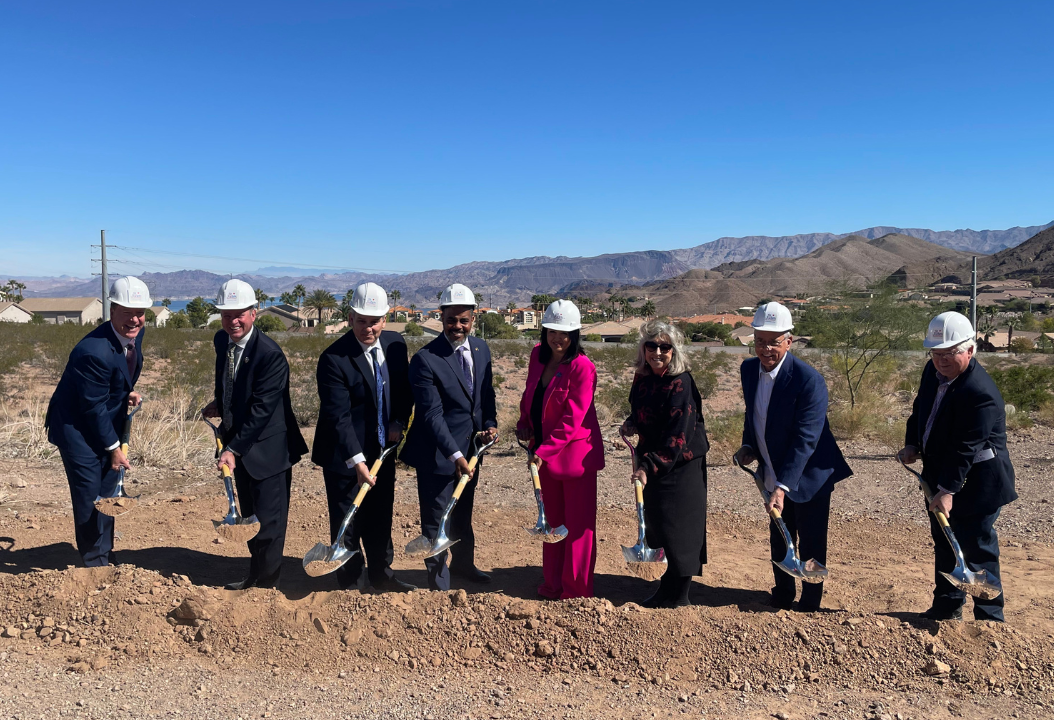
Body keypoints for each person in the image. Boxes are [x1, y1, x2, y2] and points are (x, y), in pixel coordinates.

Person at [734, 302, 852, 612]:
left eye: (774, 341)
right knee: (780, 536)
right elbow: (754, 415)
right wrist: (749, 446)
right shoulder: (748, 370)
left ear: (789, 341)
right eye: (760, 340)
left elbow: (806, 439)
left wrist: (783, 486)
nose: (766, 348)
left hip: (809, 475)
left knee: (811, 543)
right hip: (773, 468)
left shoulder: (807, 380)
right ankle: (783, 593)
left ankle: (810, 600)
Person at [898, 312, 1016, 622]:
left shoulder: (980, 393)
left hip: (978, 484)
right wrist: (913, 443)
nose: (941, 360)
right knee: (946, 543)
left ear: (970, 350)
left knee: (978, 551)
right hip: (941, 476)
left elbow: (966, 448)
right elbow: (921, 409)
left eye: (950, 353)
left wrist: (947, 489)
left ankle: (990, 619)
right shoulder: (932, 371)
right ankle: (947, 607)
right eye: (936, 353)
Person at [202, 279, 308, 590]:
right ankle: (254, 576)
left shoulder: (270, 355)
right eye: (226, 315)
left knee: (270, 523)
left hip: (268, 450)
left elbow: (263, 410)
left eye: (240, 314)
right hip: (242, 445)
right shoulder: (223, 341)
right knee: (250, 517)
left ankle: (267, 585)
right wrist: (220, 403)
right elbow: (229, 380)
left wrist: (232, 449)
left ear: (254, 313)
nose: (232, 321)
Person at [312, 282, 415, 593]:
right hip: (344, 454)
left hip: (382, 450)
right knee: (348, 516)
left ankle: (382, 575)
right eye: (361, 321)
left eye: (374, 321)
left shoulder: (396, 345)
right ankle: (350, 581)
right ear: (350, 317)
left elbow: (404, 392)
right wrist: (357, 461)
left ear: (384, 319)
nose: (368, 328)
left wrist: (398, 421)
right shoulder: (334, 359)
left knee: (381, 514)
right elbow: (338, 418)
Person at [46, 276, 152, 567]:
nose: (135, 320)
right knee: (89, 494)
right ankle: (94, 564)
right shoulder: (92, 352)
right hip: (76, 428)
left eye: (140, 313)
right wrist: (114, 447)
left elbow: (123, 368)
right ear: (112, 310)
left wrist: (125, 390)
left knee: (109, 489)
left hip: (104, 419)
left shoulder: (134, 334)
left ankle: (105, 553)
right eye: (127, 312)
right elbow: (91, 407)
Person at [400, 283, 498, 591]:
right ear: (441, 318)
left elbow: (486, 394)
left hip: (471, 449)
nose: (457, 326)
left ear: (473, 319)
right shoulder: (426, 359)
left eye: (463, 320)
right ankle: (438, 581)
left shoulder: (481, 349)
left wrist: (491, 423)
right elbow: (431, 415)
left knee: (462, 513)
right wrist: (455, 455)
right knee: (436, 518)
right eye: (451, 319)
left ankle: (464, 566)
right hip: (438, 454)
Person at [515, 300, 604, 599]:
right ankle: (551, 585)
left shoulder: (583, 367)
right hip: (543, 454)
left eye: (565, 333)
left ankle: (576, 591)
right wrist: (524, 422)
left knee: (577, 527)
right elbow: (531, 394)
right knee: (551, 523)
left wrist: (543, 451)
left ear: (575, 334)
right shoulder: (537, 357)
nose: (558, 338)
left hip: (574, 458)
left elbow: (572, 418)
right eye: (553, 330)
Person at [620, 320, 709, 608]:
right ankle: (666, 588)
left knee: (680, 529)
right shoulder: (642, 377)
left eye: (664, 346)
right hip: (653, 460)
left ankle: (678, 596)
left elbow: (678, 435)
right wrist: (632, 423)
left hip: (680, 464)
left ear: (674, 350)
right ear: (643, 349)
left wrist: (648, 466)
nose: (657, 352)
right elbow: (641, 409)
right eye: (651, 345)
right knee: (659, 524)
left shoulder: (681, 382)